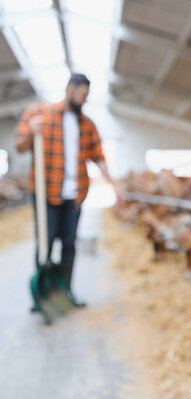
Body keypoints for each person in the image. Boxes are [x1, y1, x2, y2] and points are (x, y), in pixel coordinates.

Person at [15, 73, 123, 308]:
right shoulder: (39, 114)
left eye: (87, 95)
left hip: (74, 196)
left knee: (69, 243)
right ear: (70, 89)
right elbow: (20, 146)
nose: (85, 100)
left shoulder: (87, 124)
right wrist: (30, 131)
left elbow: (99, 157)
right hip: (46, 192)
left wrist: (115, 186)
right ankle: (42, 293)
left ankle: (65, 291)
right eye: (83, 94)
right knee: (45, 241)